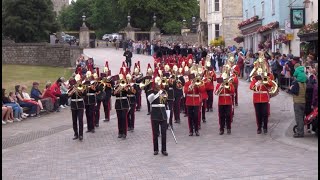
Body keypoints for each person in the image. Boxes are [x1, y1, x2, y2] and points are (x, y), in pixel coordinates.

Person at [147, 77, 169, 156]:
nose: (158, 85)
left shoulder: (163, 91)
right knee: (155, 133)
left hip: (163, 114)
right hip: (155, 114)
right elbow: (149, 100)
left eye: (159, 83)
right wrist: (156, 93)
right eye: (157, 83)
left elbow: (165, 102)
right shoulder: (150, 92)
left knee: (164, 133)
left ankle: (164, 150)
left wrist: (162, 92)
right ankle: (155, 149)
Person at [249, 68, 274, 134]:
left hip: (264, 99)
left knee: (265, 113)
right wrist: (256, 84)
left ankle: (265, 127)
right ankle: (259, 127)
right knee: (258, 114)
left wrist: (265, 81)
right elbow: (251, 87)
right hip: (256, 99)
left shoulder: (265, 78)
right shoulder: (254, 79)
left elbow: (271, 85)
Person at [287, 64, 307, 138]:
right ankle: (301, 130)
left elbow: (293, 92)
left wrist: (290, 88)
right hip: (303, 102)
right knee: (301, 117)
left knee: (298, 118)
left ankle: (300, 133)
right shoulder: (304, 83)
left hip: (297, 102)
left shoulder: (296, 83)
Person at [112, 71, 130, 139]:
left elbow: (129, 92)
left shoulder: (126, 85)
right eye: (119, 80)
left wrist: (125, 88)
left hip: (125, 103)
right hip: (118, 104)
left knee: (124, 118)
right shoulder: (116, 86)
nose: (120, 81)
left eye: (121, 79)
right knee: (119, 118)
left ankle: (124, 133)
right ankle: (120, 132)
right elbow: (113, 94)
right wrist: (117, 90)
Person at [68, 74, 85, 141]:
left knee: (80, 120)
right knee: (74, 120)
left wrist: (80, 90)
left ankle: (81, 135)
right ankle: (76, 134)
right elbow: (68, 95)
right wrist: (73, 91)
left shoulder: (81, 86)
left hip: (80, 105)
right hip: (73, 106)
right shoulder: (71, 88)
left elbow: (84, 94)